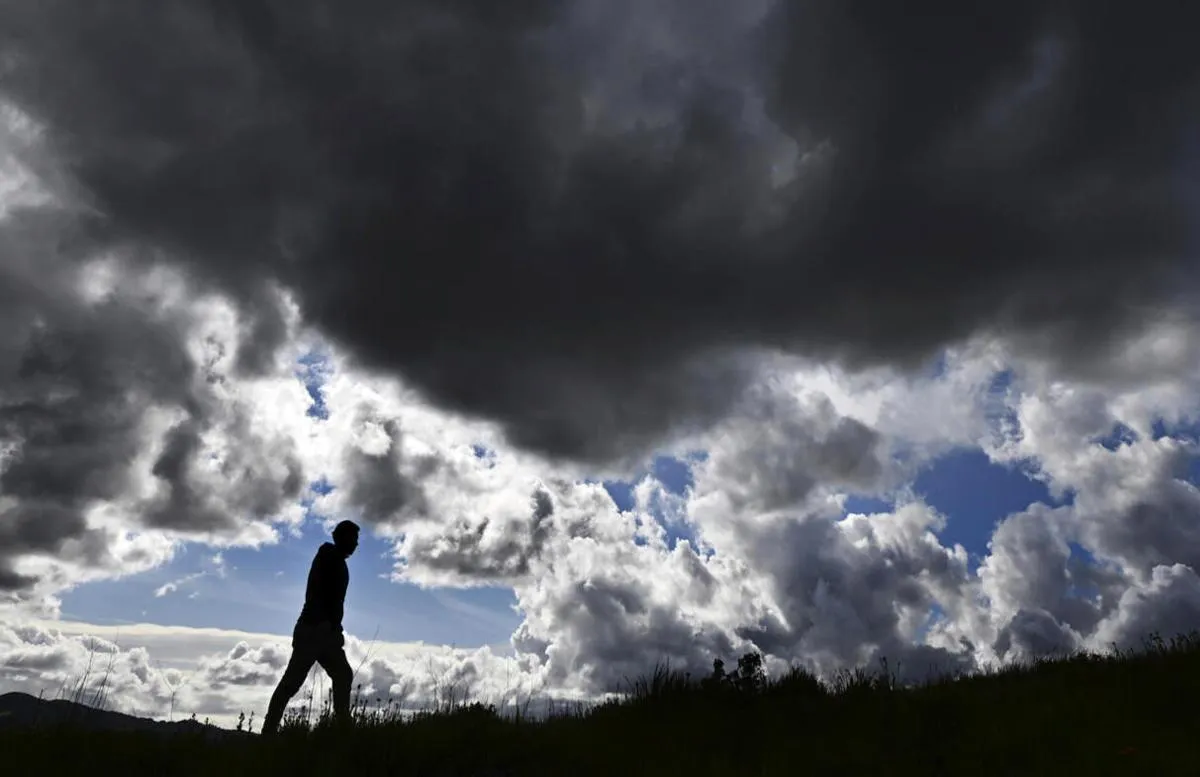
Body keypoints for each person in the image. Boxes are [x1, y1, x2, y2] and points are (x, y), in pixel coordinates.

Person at [261, 519, 360, 735]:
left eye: (356, 539)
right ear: (342, 538)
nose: (356, 544)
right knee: (291, 683)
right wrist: (326, 624)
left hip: (323, 632)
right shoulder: (328, 557)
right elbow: (318, 594)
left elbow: (333, 601)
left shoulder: (335, 560)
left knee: (342, 674)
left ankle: (343, 727)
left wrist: (334, 628)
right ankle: (268, 731)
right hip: (314, 630)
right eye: (353, 538)